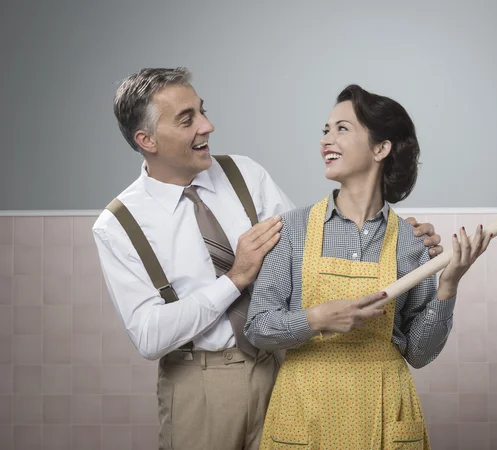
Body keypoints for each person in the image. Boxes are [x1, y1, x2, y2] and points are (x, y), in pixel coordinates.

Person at [93, 68, 444, 450]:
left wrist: (389, 235)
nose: (207, 126)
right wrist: (234, 280)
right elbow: (148, 336)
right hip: (201, 385)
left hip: (284, 369)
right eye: (187, 119)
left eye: (202, 110)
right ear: (147, 139)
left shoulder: (245, 175)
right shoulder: (117, 225)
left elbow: (311, 249)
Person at [244, 84, 492, 450]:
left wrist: (448, 286)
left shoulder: (411, 243)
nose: (327, 139)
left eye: (342, 128)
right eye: (326, 130)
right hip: (305, 412)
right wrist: (315, 319)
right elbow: (258, 328)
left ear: (381, 148)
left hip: (384, 410)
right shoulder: (292, 230)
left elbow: (420, 354)